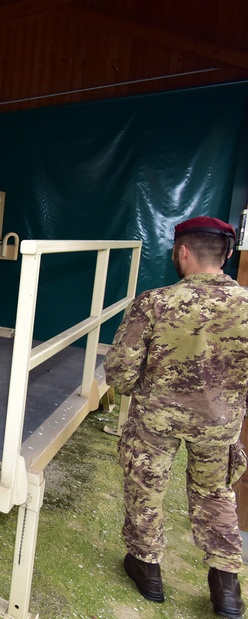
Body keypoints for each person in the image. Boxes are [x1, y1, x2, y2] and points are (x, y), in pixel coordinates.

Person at [104, 216, 248, 618]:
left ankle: (147, 570)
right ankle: (226, 590)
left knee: (146, 487)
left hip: (156, 420)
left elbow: (119, 371)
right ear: (228, 254)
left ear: (182, 252)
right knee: (215, 495)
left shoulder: (155, 302)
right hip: (219, 425)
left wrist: (147, 394)